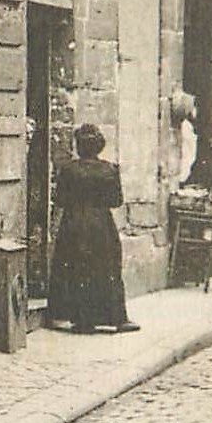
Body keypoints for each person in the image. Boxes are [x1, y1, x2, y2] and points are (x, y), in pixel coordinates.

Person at [46, 124, 140, 333]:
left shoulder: (68, 169)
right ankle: (115, 318)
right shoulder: (110, 170)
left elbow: (59, 199)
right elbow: (116, 201)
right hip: (101, 226)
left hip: (73, 224)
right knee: (106, 269)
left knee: (74, 268)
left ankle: (80, 320)